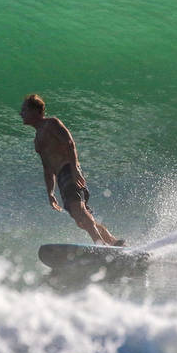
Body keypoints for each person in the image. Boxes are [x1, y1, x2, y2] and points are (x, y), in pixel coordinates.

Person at [19, 93, 123, 246]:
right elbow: (47, 169)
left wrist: (74, 167)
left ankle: (100, 244)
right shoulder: (37, 141)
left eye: (24, 110)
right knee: (81, 219)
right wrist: (50, 193)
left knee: (78, 210)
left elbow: (69, 143)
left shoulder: (51, 124)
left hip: (68, 169)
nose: (21, 114)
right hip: (61, 177)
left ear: (35, 110)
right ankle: (114, 243)